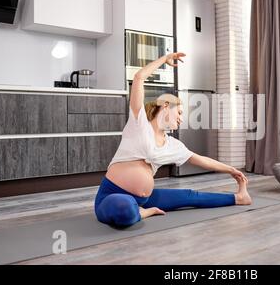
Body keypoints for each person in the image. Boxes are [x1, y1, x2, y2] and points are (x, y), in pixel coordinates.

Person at [94, 52, 252, 227]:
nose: (181, 119)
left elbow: (201, 160)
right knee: (124, 209)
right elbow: (139, 77)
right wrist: (164, 59)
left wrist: (231, 170)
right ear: (166, 106)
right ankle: (142, 213)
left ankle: (239, 198)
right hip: (112, 196)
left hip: (145, 198)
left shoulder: (172, 145)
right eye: (180, 113)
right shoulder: (138, 123)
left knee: (189, 196)